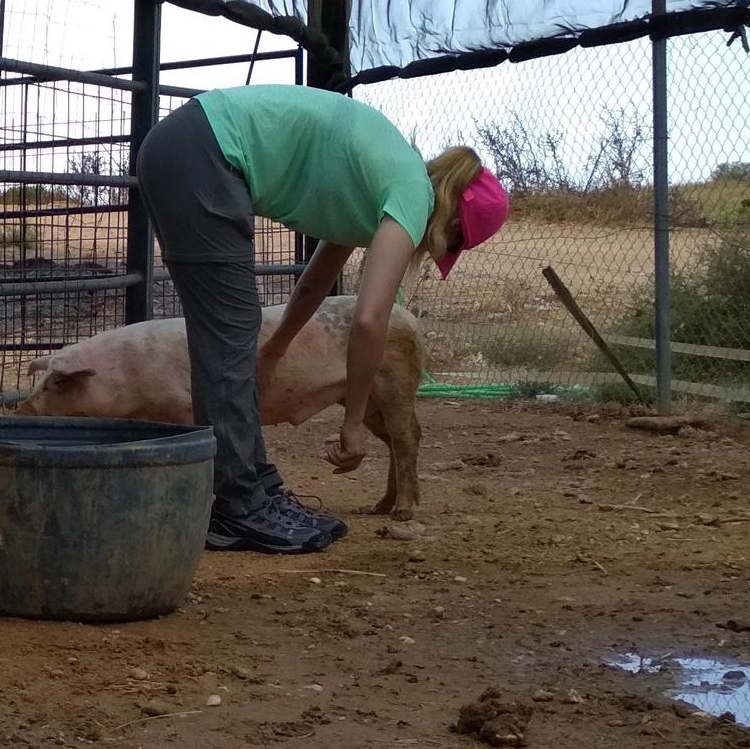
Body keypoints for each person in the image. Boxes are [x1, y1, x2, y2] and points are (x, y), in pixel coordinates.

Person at [133, 82, 510, 555]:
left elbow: (317, 281)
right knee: (228, 332)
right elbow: (370, 318)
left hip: (191, 146)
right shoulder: (412, 195)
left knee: (234, 328)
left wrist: (275, 349)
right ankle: (236, 507)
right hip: (205, 152)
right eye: (450, 245)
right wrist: (354, 423)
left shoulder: (383, 177)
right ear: (452, 224)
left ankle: (255, 488)